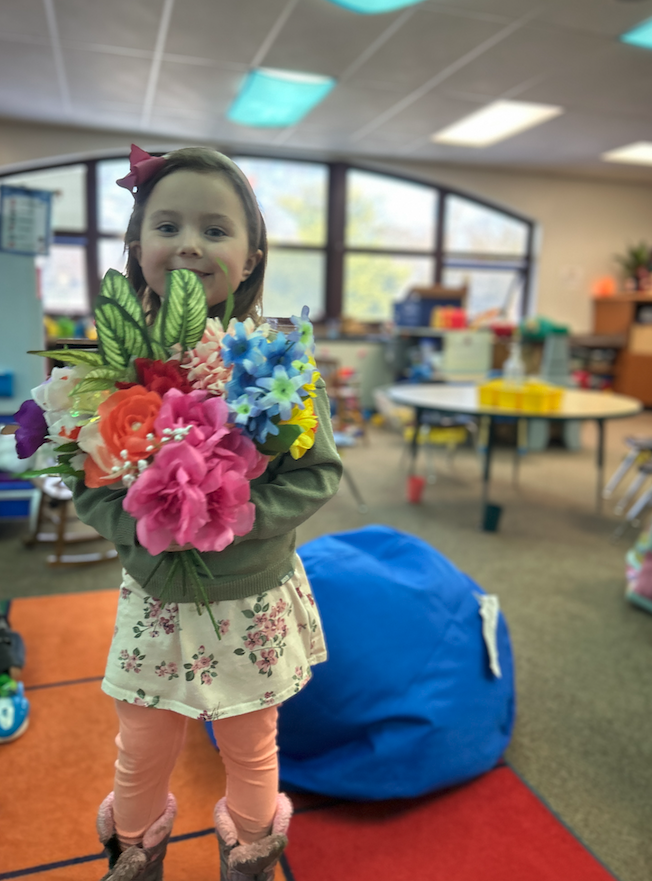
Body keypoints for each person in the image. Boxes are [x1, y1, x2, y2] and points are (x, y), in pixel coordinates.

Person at [68, 146, 343, 881]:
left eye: (215, 230)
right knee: (143, 744)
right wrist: (143, 525)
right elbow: (87, 476)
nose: (189, 243)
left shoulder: (279, 361)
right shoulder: (113, 366)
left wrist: (233, 512)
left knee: (252, 745)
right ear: (136, 245)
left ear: (251, 257)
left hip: (249, 597)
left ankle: (249, 859)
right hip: (157, 595)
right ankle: (133, 859)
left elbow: (319, 472)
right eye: (168, 225)